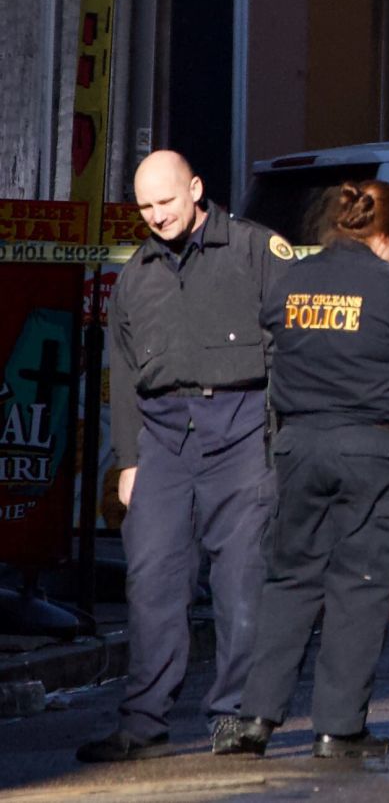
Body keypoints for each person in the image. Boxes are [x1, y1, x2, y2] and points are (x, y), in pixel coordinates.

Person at [217, 181, 389, 760]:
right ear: (386, 236)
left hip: (297, 445)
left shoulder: (294, 279)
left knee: (291, 581)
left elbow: (273, 324)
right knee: (361, 586)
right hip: (368, 447)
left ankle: (254, 718)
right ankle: (339, 729)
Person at [77, 152, 290, 763]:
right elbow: (124, 373)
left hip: (244, 429)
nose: (157, 216)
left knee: (240, 579)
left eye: (166, 202)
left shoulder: (255, 251)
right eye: (145, 207)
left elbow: (290, 348)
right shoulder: (136, 275)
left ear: (196, 189)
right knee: (152, 582)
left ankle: (233, 718)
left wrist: (281, 440)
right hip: (163, 441)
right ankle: (144, 725)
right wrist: (127, 462)